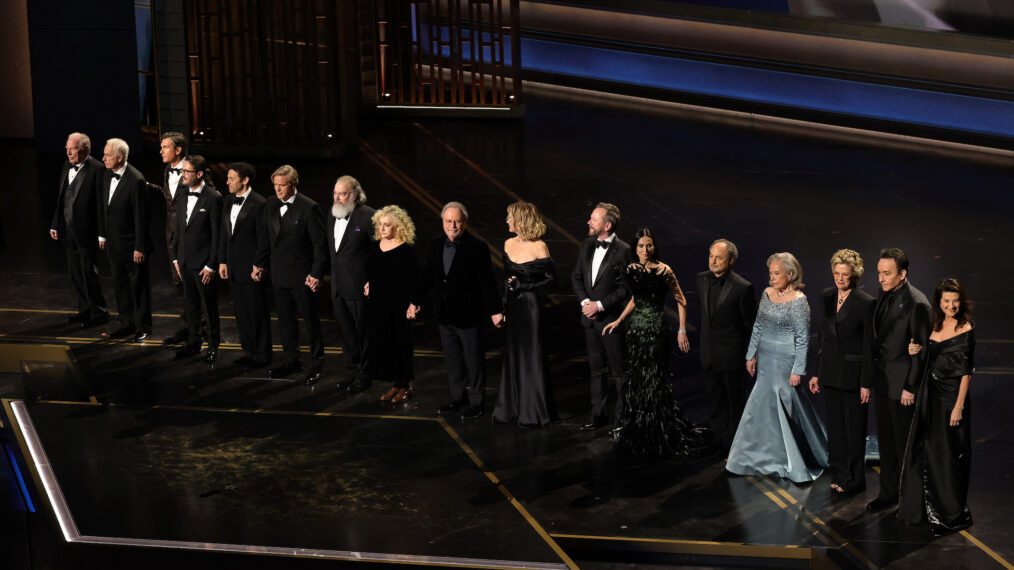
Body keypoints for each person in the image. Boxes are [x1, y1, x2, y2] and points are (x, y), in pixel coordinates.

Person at [726, 252, 828, 483]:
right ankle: (754, 458)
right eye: (770, 273)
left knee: (785, 407)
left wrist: (798, 370)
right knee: (760, 407)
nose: (771, 278)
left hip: (785, 361)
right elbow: (758, 326)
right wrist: (750, 355)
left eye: (776, 273)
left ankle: (789, 458)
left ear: (790, 275)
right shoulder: (767, 293)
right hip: (765, 359)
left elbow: (803, 339)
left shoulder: (799, 302)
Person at [602, 228, 704, 456]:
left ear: (654, 247)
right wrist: (619, 320)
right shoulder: (631, 269)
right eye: (640, 246)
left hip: (656, 329)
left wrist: (681, 330)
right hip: (636, 331)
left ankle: (659, 429)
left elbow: (682, 301)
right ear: (635, 248)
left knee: (656, 377)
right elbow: (635, 299)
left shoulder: (664, 270)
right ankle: (640, 427)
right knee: (638, 377)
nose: (645, 250)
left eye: (649, 245)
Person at [408, 202, 504, 421]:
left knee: (474, 361)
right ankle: (457, 398)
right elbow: (427, 276)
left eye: (457, 221)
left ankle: (477, 402)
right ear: (443, 222)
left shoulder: (477, 246)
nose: (453, 225)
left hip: (468, 315)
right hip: (444, 314)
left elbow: (486, 282)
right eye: (448, 221)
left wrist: (495, 310)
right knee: (452, 360)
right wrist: (415, 301)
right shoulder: (436, 244)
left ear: (465, 223)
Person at [898, 279, 975, 535]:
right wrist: (913, 351)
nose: (950, 305)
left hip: (951, 398)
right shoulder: (934, 323)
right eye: (945, 301)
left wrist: (959, 407)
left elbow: (966, 372)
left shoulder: (966, 327)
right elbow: (925, 357)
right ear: (938, 302)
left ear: (960, 301)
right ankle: (921, 509)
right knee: (925, 450)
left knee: (948, 456)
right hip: (929, 395)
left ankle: (948, 511)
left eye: (954, 301)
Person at [866, 248, 931, 513]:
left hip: (902, 387)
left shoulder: (917, 303)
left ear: (902, 274)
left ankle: (910, 499)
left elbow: (921, 351)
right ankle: (888, 493)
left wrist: (910, 387)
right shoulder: (884, 294)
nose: (881, 278)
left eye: (887, 273)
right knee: (888, 445)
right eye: (879, 273)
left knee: (906, 446)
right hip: (883, 383)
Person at [808, 249, 876, 496]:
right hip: (829, 372)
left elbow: (869, 346)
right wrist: (816, 373)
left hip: (854, 375)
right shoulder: (826, 296)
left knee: (854, 430)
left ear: (854, 275)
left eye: (844, 274)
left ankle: (855, 480)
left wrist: (866, 382)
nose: (839, 278)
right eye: (836, 273)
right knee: (836, 430)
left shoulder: (866, 303)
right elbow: (823, 339)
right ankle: (839, 474)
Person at [493, 202, 557, 427]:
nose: (507, 221)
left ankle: (532, 412)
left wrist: (524, 286)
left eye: (510, 217)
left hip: (530, 307)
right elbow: (505, 279)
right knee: (513, 355)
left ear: (521, 220)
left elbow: (551, 279)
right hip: (512, 306)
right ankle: (511, 408)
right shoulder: (508, 243)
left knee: (531, 355)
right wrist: (502, 308)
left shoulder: (540, 247)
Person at [263, 165, 328, 385]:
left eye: (282, 185)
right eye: (275, 185)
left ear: (294, 184)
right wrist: (259, 264)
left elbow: (320, 246)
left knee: (310, 322)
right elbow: (268, 237)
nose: (278, 190)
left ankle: (317, 363)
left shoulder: (309, 208)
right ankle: (292, 360)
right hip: (279, 274)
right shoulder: (271, 203)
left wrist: (316, 274)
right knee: (285, 321)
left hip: (303, 277)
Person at [570, 202, 632, 431]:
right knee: (596, 370)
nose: (588, 222)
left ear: (607, 225)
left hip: (610, 320)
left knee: (619, 371)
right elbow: (576, 277)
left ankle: (622, 419)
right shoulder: (587, 245)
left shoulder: (624, 250)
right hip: (590, 320)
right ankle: (598, 416)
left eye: (593, 219)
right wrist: (586, 303)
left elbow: (626, 288)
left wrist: (600, 305)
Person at [696, 239, 757, 451]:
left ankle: (735, 446)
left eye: (719, 257)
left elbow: (750, 325)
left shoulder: (743, 287)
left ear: (731, 260)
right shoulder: (701, 279)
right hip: (709, 354)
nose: (713, 261)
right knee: (714, 403)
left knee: (734, 405)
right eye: (711, 256)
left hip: (731, 357)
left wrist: (750, 355)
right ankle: (719, 441)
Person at [49, 132, 109, 328]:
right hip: (68, 229)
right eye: (67, 149)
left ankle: (98, 312)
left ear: (85, 149)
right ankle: (84, 310)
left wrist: (102, 232)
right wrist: (56, 223)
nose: (68, 152)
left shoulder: (98, 170)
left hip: (88, 232)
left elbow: (101, 204)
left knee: (89, 273)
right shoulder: (67, 165)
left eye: (72, 149)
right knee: (75, 273)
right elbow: (62, 196)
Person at [97, 138, 151, 342]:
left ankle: (143, 326)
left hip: (132, 246)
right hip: (114, 244)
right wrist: (102, 234)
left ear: (120, 158)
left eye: (107, 155)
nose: (103, 158)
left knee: (138, 287)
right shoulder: (106, 175)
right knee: (120, 286)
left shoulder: (135, 180)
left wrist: (140, 247)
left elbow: (141, 217)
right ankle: (126, 324)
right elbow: (104, 208)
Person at [218, 162, 271, 368]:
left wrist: (259, 264)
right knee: (241, 313)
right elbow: (225, 233)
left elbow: (263, 238)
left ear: (245, 180)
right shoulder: (228, 200)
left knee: (256, 312)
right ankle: (249, 352)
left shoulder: (259, 203)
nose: (227, 181)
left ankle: (262, 355)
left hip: (251, 268)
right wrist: (222, 260)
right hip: (233, 266)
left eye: (231, 178)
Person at [364, 205, 418, 404]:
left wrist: (413, 304)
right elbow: (371, 269)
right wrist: (369, 283)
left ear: (398, 226)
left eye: (387, 225)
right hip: (379, 305)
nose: (383, 228)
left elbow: (413, 280)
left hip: (399, 306)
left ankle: (405, 385)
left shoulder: (406, 250)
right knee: (386, 346)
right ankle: (396, 384)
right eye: (381, 225)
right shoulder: (376, 246)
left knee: (401, 345)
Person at [170, 155, 222, 362]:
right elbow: (179, 228)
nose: (183, 175)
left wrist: (211, 265)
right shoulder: (182, 194)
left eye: (187, 172)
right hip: (184, 261)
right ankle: (193, 343)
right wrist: (175, 257)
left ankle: (213, 346)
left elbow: (217, 235)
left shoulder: (213, 198)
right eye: (182, 171)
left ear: (199, 174)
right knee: (190, 306)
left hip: (203, 265)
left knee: (208, 308)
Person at [327, 175, 376, 392]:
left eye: (342, 193)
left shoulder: (368, 216)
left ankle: (365, 376)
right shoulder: (332, 214)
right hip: (338, 286)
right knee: (347, 333)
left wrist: (373, 279)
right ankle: (354, 372)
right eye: (335, 193)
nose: (337, 197)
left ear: (355, 194)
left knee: (362, 333)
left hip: (358, 287)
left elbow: (380, 251)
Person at [157, 132, 193, 346]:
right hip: (171, 235)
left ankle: (201, 328)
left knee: (193, 283)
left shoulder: (195, 169)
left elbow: (210, 196)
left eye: (165, 147)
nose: (161, 151)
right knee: (178, 282)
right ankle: (187, 327)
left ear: (178, 150)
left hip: (189, 236)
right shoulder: (166, 170)